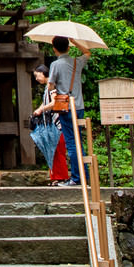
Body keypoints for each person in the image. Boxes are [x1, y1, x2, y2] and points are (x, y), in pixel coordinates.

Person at [44, 36, 84, 187]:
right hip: (79, 105)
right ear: (68, 47)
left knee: (71, 143)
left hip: (65, 107)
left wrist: (53, 88)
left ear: (54, 49)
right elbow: (87, 53)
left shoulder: (55, 64)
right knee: (79, 141)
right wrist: (76, 41)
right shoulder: (77, 61)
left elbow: (50, 86)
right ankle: (82, 175)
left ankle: (76, 178)